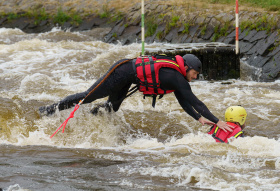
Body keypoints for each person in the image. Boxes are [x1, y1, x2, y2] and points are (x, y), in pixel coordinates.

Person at [39, 54, 233, 132]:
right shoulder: (177, 77)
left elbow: (184, 100)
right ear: (188, 67)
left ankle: (87, 120)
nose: (195, 77)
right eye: (195, 73)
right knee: (88, 96)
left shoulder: (177, 79)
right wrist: (218, 121)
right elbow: (196, 102)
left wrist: (199, 119)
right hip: (121, 71)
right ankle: (48, 110)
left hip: (129, 78)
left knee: (111, 108)